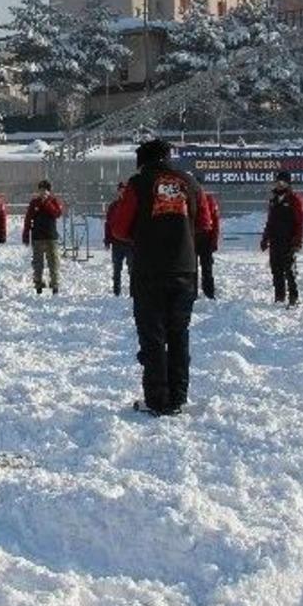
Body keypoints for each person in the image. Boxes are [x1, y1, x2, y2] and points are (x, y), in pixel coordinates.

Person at [108, 140, 210, 416]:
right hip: (185, 270)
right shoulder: (189, 182)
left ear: (143, 161)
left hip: (149, 270)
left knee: (153, 335)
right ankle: (178, 397)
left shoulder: (138, 184)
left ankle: (156, 400)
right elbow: (205, 223)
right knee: (179, 334)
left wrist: (143, 237)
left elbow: (118, 229)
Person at [260, 171, 303, 307]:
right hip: (275, 241)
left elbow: (301, 222)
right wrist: (265, 238)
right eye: (278, 182)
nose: (280, 184)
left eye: (283, 182)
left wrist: (297, 241)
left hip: (289, 241)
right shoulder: (274, 200)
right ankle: (279, 297)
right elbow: (270, 221)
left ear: (288, 183)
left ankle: (294, 297)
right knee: (276, 270)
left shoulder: (295, 200)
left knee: (289, 270)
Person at [21, 180, 64, 295]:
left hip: (51, 237)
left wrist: (47, 203)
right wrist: (26, 234)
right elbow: (28, 219)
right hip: (37, 238)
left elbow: (57, 213)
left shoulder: (54, 201)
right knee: (38, 263)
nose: (43, 192)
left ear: (49, 191)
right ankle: (38, 284)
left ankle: (54, 284)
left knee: (53, 262)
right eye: (41, 190)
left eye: (45, 190)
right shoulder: (34, 203)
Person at [104, 182, 133, 296]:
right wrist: (107, 239)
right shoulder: (113, 206)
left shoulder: (132, 205)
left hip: (130, 242)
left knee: (132, 269)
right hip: (117, 242)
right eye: (120, 190)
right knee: (117, 269)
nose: (122, 192)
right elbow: (108, 224)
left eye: (124, 190)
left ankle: (133, 292)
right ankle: (116, 291)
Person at [195, 180, 221, 300]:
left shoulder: (209, 200)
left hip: (206, 238)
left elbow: (215, 223)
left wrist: (214, 240)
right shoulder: (188, 200)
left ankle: (209, 292)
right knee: (191, 268)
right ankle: (192, 292)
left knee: (207, 267)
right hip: (191, 237)